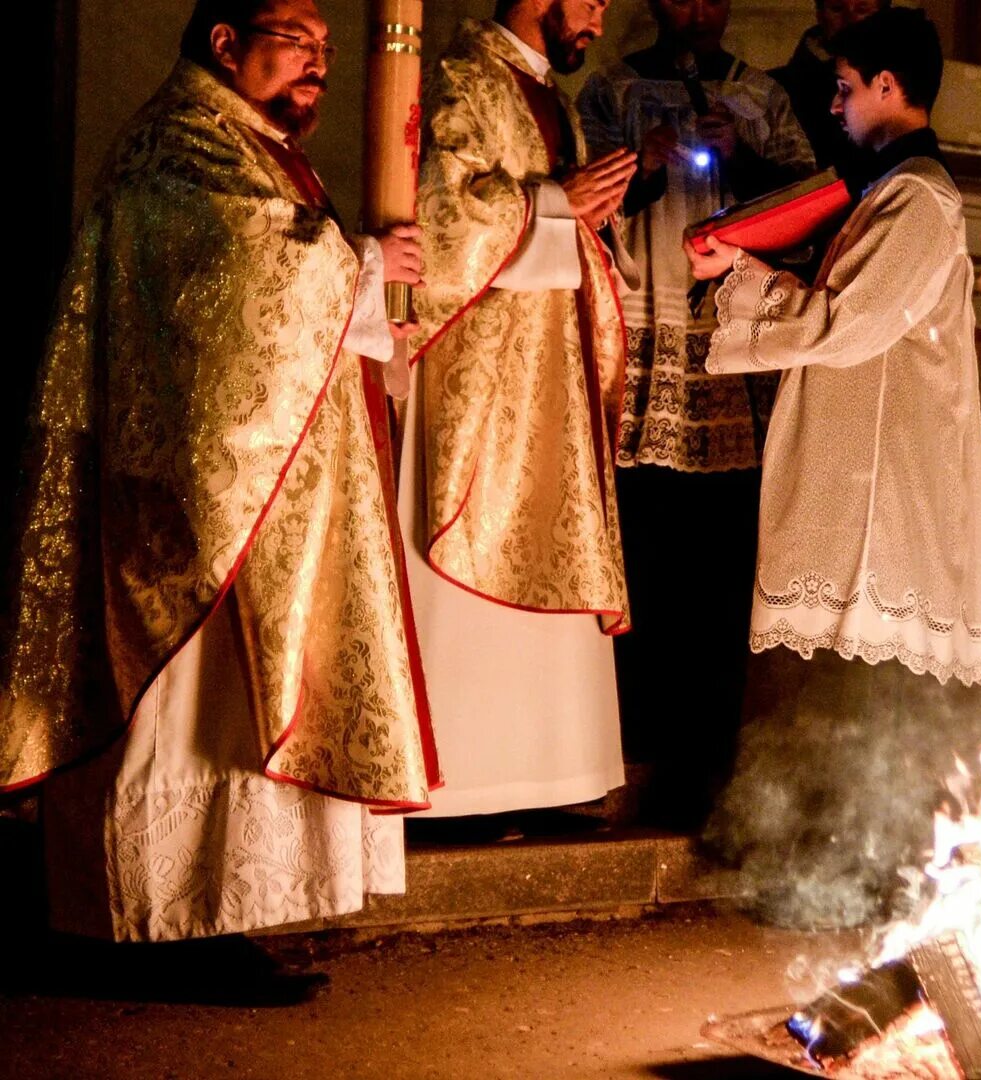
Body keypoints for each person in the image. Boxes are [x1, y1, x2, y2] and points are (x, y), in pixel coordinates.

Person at [1, 0, 434, 995]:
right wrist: (359, 266)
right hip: (182, 505)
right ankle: (167, 924)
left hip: (252, 485)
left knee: (240, 705)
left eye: (328, 49)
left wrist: (354, 281)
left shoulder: (245, 140)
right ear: (226, 43)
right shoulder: (180, 142)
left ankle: (222, 915)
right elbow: (231, 273)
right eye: (296, 40)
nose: (318, 64)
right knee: (192, 707)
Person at [684, 8, 981, 928]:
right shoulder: (886, 191)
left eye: (846, 85)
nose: (835, 102)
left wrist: (744, 281)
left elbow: (850, 320)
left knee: (865, 681)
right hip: (853, 458)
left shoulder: (919, 198)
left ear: (891, 88)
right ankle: (824, 874)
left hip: (884, 478)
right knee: (832, 669)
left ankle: (867, 878)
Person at [576, 0, 815, 827]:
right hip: (646, 332)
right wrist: (639, 163)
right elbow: (577, 212)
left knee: (723, 555)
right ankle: (634, 748)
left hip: (730, 338)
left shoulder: (763, 98)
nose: (698, 12)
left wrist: (742, 158)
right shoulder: (610, 91)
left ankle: (713, 762)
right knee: (644, 546)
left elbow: (806, 206)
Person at [401, 1, 636, 820]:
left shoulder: (549, 95)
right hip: (484, 368)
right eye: (594, 2)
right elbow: (442, 212)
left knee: (552, 524)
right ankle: (465, 783)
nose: (599, 25)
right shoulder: (463, 77)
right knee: (484, 533)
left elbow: (554, 214)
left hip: (548, 365)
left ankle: (546, 775)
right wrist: (557, 203)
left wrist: (580, 213)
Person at [770, 0, 887, 173]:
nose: (850, 20)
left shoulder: (899, 83)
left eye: (862, 10)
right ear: (820, 15)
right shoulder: (776, 90)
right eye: (837, 9)